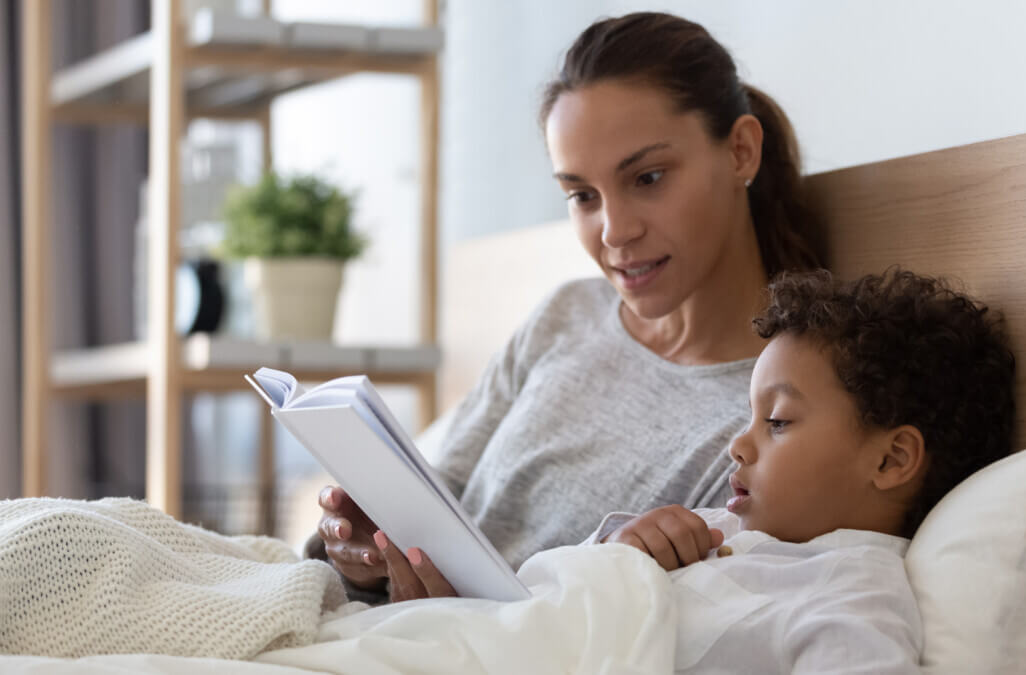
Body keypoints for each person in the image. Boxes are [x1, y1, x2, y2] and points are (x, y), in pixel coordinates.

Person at [313, 11, 824, 599]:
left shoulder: (775, 410)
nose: (614, 232)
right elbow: (441, 491)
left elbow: (713, 614)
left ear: (740, 150)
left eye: (649, 177)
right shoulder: (566, 314)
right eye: (582, 195)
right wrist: (361, 551)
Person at [372, 268, 1016, 675]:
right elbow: (573, 598)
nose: (739, 445)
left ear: (890, 459)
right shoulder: (718, 531)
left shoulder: (852, 599)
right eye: (751, 417)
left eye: (780, 422)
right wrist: (626, 550)